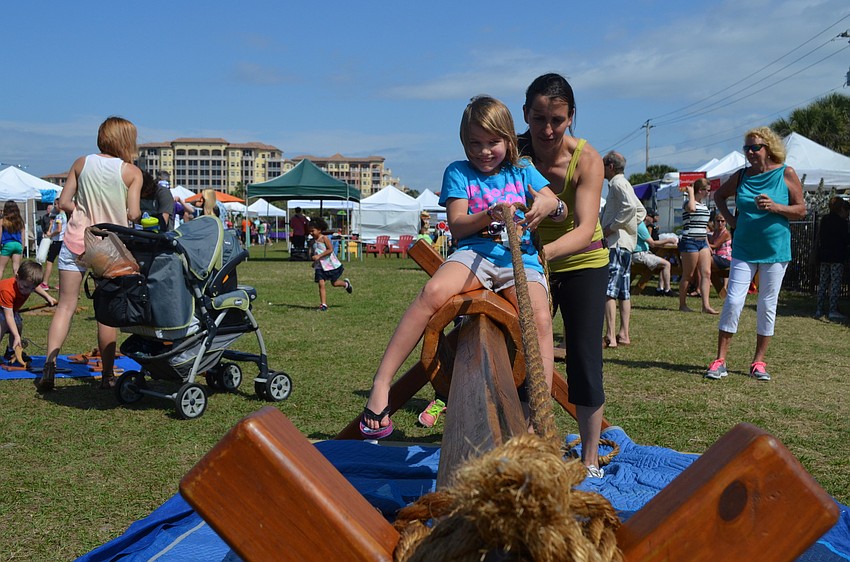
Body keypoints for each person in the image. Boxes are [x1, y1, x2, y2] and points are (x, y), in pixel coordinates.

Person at [361, 95, 563, 440]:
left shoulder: (523, 170)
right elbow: (457, 225)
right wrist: (489, 214)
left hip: (520, 259)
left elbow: (557, 206)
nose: (483, 151)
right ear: (463, 142)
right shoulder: (458, 172)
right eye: (474, 143)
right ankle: (381, 384)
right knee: (432, 292)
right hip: (474, 254)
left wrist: (549, 204)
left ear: (508, 139)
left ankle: (536, 415)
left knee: (540, 319)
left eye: (492, 142)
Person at [518, 73, 609, 478]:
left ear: (571, 116)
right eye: (539, 119)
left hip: (581, 262)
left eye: (557, 120)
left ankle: (589, 459)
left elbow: (585, 228)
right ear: (525, 114)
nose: (547, 130)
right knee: (520, 352)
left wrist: (542, 255)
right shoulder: (511, 152)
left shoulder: (587, 160)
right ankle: (524, 447)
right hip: (529, 264)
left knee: (584, 361)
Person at [37, 116, 143, 392]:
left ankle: (49, 365)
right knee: (106, 313)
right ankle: (107, 375)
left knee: (65, 306)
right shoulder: (131, 172)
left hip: (76, 241)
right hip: (108, 249)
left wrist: (82, 214)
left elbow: (64, 202)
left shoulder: (81, 163)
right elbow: (133, 214)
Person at [706, 127, 806, 381]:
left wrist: (776, 207)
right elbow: (719, 195)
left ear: (768, 148)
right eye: (747, 148)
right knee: (733, 300)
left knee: (767, 304)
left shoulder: (786, 173)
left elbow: (800, 210)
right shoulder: (741, 176)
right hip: (744, 248)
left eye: (755, 148)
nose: (750, 152)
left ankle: (758, 362)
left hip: (775, 250)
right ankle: (720, 360)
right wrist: (731, 220)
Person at [600, 151, 646, 347]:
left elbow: (631, 208)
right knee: (623, 292)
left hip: (616, 244)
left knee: (609, 291)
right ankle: (624, 333)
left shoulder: (617, 184)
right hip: (626, 245)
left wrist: (612, 227)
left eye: (603, 165)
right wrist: (629, 226)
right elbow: (640, 210)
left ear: (610, 167)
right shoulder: (624, 183)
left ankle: (611, 336)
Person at [677, 178, 718, 314]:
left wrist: (708, 244)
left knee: (706, 273)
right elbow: (691, 209)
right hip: (690, 240)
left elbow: (703, 227)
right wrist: (690, 193)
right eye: (707, 190)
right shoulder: (688, 203)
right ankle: (682, 304)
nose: (709, 193)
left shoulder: (704, 205)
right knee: (688, 274)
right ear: (700, 190)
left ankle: (706, 305)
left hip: (702, 241)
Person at [1, 261, 57, 361]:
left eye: (32, 288)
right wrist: (17, 336)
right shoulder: (7, 290)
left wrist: (47, 297)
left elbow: (36, 287)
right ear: (17, 277)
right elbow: (9, 316)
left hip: (10, 309)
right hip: (3, 308)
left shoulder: (28, 284)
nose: (28, 291)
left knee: (18, 325)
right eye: (25, 287)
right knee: (3, 324)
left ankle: (11, 351)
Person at [814, 196, 850, 320]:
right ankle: (832, 309)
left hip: (824, 255)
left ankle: (819, 309)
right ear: (841, 208)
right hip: (837, 256)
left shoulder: (824, 219)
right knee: (835, 283)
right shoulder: (842, 223)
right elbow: (846, 239)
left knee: (823, 283)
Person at [307, 217, 352, 311]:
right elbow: (315, 252)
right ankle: (323, 305)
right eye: (309, 231)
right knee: (321, 284)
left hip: (329, 265)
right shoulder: (312, 241)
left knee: (334, 283)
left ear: (319, 230)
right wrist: (315, 262)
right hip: (320, 267)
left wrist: (319, 256)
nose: (311, 233)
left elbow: (330, 249)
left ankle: (346, 284)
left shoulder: (324, 238)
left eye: (312, 231)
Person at [633, 212, 676, 296]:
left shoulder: (638, 225)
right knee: (666, 264)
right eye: (652, 217)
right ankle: (667, 290)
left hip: (639, 253)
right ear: (646, 217)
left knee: (663, 263)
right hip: (640, 254)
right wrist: (668, 240)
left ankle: (660, 288)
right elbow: (652, 243)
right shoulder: (641, 226)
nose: (654, 219)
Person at [39, 206, 67, 291]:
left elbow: (59, 229)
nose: (54, 206)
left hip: (57, 241)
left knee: (49, 261)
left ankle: (44, 283)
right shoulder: (64, 215)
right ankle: (62, 283)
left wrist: (50, 235)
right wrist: (51, 224)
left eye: (55, 204)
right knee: (62, 263)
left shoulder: (59, 216)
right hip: (62, 241)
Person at [708, 210, 732, 297]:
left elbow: (715, 245)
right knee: (704, 263)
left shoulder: (725, 233)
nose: (720, 223)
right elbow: (711, 244)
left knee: (705, 260)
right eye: (718, 221)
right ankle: (722, 292)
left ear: (726, 222)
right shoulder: (716, 232)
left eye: (722, 221)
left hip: (726, 259)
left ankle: (700, 288)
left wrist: (704, 243)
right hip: (718, 257)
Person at [0, 201, 26, 279]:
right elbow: (23, 237)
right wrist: (22, 250)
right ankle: (17, 284)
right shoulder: (20, 221)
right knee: (16, 268)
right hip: (18, 245)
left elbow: (0, 235)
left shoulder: (2, 221)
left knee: (1, 268)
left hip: (7, 244)